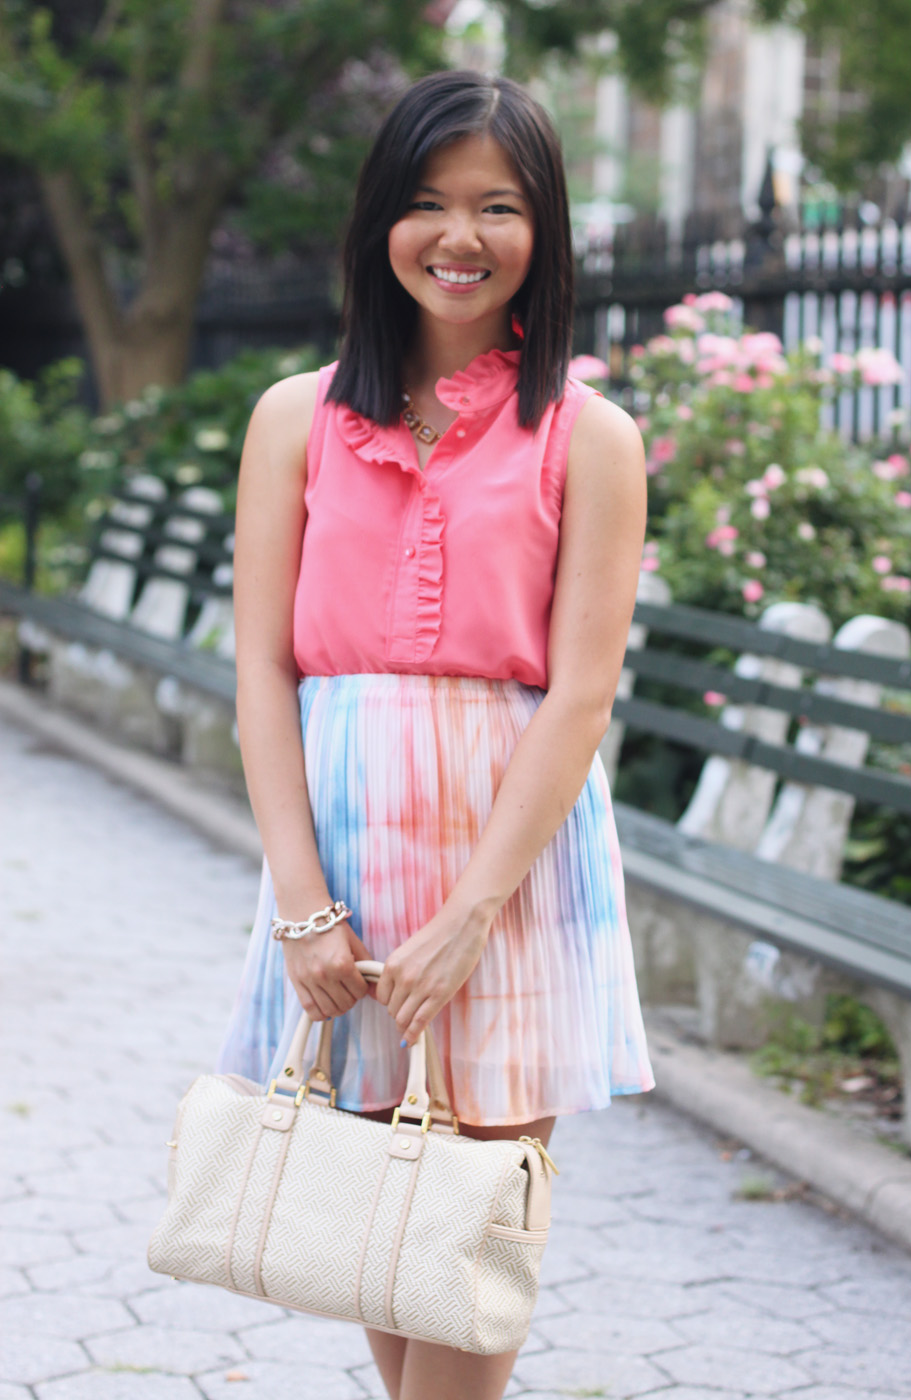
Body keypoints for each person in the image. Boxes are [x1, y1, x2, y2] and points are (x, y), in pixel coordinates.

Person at [215, 68, 655, 1400]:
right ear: (377, 225)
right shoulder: (296, 418)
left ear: (545, 234)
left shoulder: (592, 437)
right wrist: (304, 906)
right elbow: (259, 674)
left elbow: (580, 694)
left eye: (497, 208)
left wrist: (474, 909)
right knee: (374, 1212)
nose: (459, 238)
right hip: (339, 852)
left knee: (471, 1221)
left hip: (507, 860)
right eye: (426, 203)